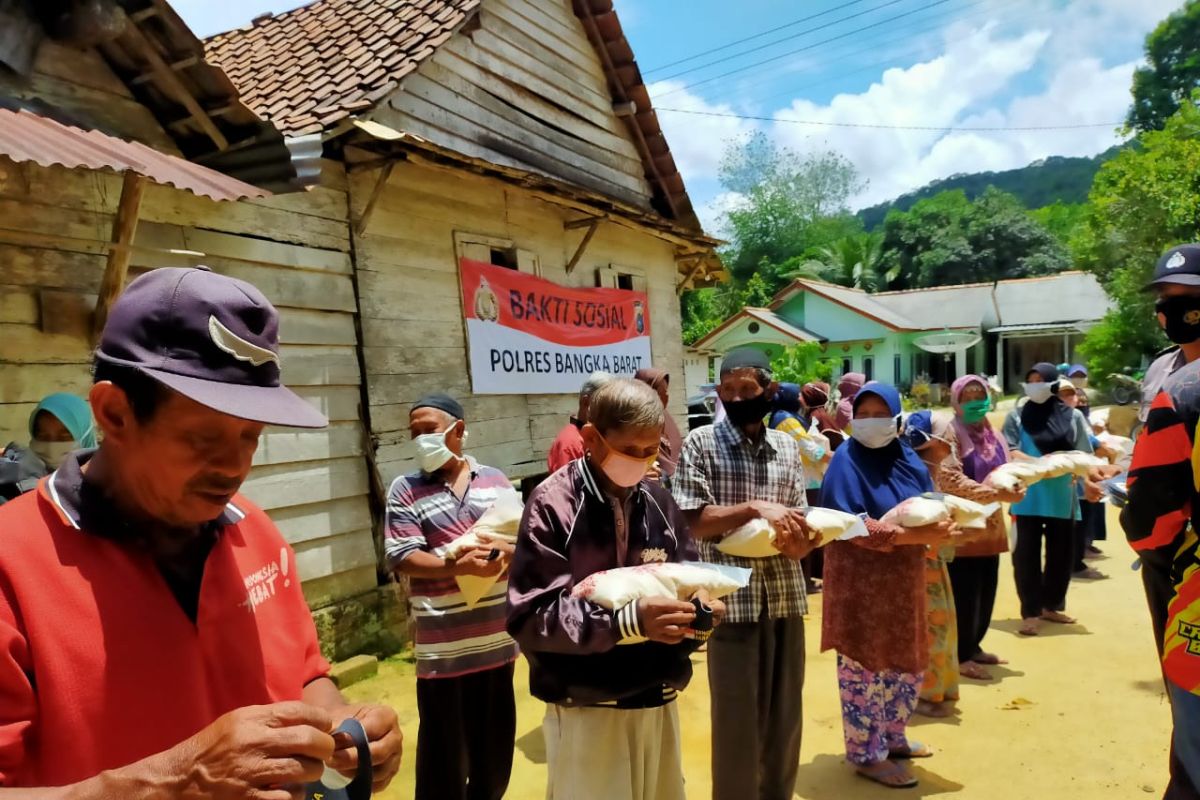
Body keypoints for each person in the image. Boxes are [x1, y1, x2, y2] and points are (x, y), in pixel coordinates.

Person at [0, 266, 402, 791]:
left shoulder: (255, 533)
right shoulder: (12, 564)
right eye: (203, 437)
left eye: (251, 435)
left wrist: (341, 726)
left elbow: (303, 675)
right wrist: (170, 784)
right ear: (115, 414)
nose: (234, 467)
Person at [506, 379, 724, 800]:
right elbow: (530, 616)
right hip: (590, 708)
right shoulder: (553, 505)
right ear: (591, 438)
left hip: (657, 698)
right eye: (630, 451)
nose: (642, 463)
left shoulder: (659, 501)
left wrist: (700, 614)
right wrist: (626, 622)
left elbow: (688, 579)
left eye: (651, 451)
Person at [672, 347, 817, 800]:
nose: (737, 398)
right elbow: (691, 519)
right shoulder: (701, 443)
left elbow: (801, 519)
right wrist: (755, 508)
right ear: (719, 394)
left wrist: (801, 543)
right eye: (728, 390)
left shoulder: (787, 449)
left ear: (769, 391)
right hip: (729, 605)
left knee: (785, 719)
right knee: (737, 723)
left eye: (748, 389)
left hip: (785, 599)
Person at [820, 382, 958, 788]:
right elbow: (847, 524)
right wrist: (911, 537)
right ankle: (865, 753)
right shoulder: (846, 461)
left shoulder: (907, 461)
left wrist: (943, 527)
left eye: (880, 413)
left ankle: (892, 736)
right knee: (865, 668)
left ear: (897, 418)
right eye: (861, 415)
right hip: (859, 584)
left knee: (904, 661)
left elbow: (926, 502)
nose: (869, 422)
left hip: (902, 582)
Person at [384, 392, 519, 800]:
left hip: (497, 648)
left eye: (429, 431)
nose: (420, 439)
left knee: (493, 768)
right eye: (414, 433)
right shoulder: (404, 489)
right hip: (444, 654)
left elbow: (524, 541)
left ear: (457, 431)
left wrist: (510, 553)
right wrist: (456, 566)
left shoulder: (496, 482)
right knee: (442, 772)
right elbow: (402, 557)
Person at [1124, 244, 1200, 800]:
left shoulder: (1186, 392)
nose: (1177, 310)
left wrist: (1151, 540)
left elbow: (1153, 502)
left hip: (1182, 556)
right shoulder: (1161, 371)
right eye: (1168, 300)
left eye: (1190, 299)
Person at [1003, 363, 1096, 636]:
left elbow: (1083, 455)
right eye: (1030, 380)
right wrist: (1041, 465)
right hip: (1026, 496)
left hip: (1061, 496)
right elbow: (1011, 450)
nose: (1034, 385)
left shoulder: (1073, 416)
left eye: (1040, 380)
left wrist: (1088, 481)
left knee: (1061, 555)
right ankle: (1030, 611)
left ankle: (1051, 606)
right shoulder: (1016, 416)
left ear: (1054, 383)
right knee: (1025, 556)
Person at [948, 375, 1023, 678]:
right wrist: (993, 493)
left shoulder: (992, 433)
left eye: (981, 395)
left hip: (991, 524)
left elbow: (1007, 467)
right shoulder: (950, 432)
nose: (976, 402)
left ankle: (975, 645)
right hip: (963, 526)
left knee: (986, 588)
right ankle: (960, 653)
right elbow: (950, 479)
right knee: (963, 591)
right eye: (968, 397)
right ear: (956, 401)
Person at [770, 382, 832, 592]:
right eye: (797, 396)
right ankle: (804, 582)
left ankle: (806, 579)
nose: (800, 400)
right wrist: (839, 457)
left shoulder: (784, 417)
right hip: (805, 483)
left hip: (804, 480)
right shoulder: (786, 420)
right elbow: (811, 450)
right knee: (804, 532)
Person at [0, 393, 97, 504]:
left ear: (85, 436)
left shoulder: (106, 487)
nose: (52, 446)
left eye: (64, 437)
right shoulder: (12, 483)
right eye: (43, 437)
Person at [547, 371, 612, 473]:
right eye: (605, 407)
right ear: (586, 402)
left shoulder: (592, 435)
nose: (609, 415)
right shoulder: (570, 443)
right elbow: (567, 486)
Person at [634, 367, 683, 482]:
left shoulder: (666, 419)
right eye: (661, 392)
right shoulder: (635, 425)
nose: (666, 396)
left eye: (666, 391)